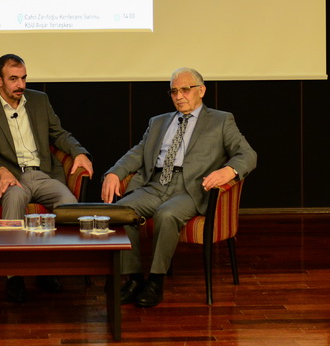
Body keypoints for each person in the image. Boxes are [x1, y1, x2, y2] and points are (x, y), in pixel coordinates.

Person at [100, 67, 256, 308]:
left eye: (185, 90)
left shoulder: (221, 120)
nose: (179, 96)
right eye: (174, 91)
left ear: (201, 91)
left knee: (167, 214)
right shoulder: (158, 122)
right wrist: (114, 172)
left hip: (190, 188)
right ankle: (134, 279)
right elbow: (138, 153)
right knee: (121, 212)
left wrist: (229, 170)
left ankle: (155, 281)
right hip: (155, 184)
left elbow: (247, 154)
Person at [0, 53, 94, 302]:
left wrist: (79, 152)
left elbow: (59, 134)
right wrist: (0, 171)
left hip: (42, 173)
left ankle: (49, 269)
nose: (20, 85)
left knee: (69, 204)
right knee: (14, 199)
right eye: (13, 79)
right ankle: (13, 275)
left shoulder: (39, 100)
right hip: (12, 176)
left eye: (23, 78)